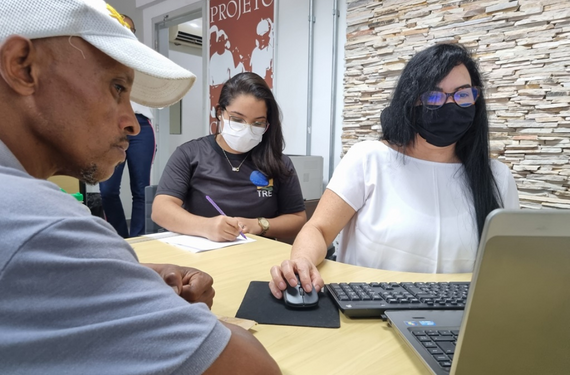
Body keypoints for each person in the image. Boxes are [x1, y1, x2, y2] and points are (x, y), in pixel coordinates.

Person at [0, 1, 280, 374]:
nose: (133, 123)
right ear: (22, 66)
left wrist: (128, 273)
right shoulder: (40, 224)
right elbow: (252, 367)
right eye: (117, 87)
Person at [269, 43, 520, 299]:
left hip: (459, 323)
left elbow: (508, 264)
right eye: (434, 96)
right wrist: (302, 261)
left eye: (463, 95)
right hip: (369, 313)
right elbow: (318, 230)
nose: (450, 104)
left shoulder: (497, 178)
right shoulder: (369, 159)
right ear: (411, 101)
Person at [152, 72, 306, 242]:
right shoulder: (189, 154)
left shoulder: (279, 163)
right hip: (202, 253)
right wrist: (206, 227)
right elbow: (161, 210)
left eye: (258, 123)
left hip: (258, 255)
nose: (247, 129)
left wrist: (260, 225)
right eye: (237, 119)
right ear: (220, 112)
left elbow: (297, 219)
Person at [99, 14, 156, 238]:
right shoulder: (100, 59)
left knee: (141, 190)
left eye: (130, 29)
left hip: (141, 124)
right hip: (111, 125)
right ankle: (120, 239)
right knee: (108, 190)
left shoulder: (143, 58)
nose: (125, 30)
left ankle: (140, 240)